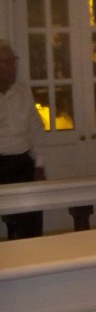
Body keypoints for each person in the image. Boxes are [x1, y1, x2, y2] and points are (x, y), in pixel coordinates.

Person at [0, 40, 46, 239]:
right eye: (7, 62)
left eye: (13, 61)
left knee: (30, 220)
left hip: (22, 162)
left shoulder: (23, 91)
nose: (13, 66)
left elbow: (36, 129)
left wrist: (39, 164)